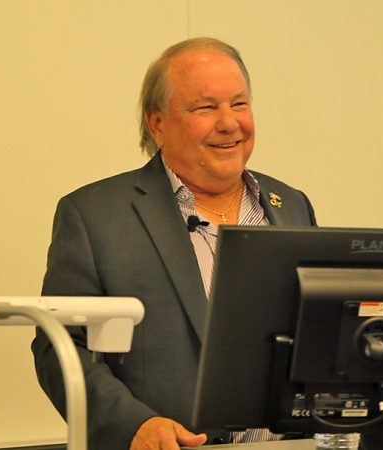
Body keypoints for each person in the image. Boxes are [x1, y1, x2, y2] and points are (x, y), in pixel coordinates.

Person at [31, 37, 317, 450]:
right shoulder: (94, 215)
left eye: (239, 104)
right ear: (158, 124)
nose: (229, 123)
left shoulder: (290, 204)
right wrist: (135, 426)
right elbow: (58, 348)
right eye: (205, 107)